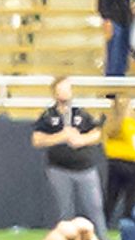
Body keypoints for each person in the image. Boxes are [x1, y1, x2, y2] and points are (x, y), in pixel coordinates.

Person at [34, 83, 106, 227]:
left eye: (67, 89)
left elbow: (97, 133)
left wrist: (81, 140)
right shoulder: (48, 116)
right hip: (59, 169)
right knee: (65, 211)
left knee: (94, 208)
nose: (65, 93)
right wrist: (61, 137)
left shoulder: (80, 113)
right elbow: (37, 140)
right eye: (61, 89)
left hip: (85, 168)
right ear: (54, 93)